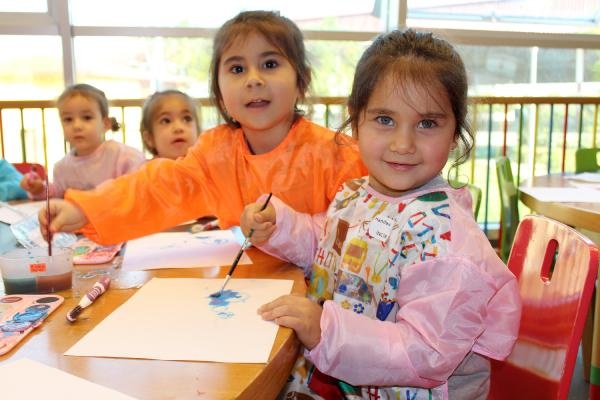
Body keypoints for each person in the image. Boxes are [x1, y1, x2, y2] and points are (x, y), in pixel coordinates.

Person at [240, 29, 521, 399]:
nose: (403, 144)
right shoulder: (359, 194)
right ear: (356, 120)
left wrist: (326, 330)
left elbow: (426, 353)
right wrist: (278, 225)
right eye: (385, 119)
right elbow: (329, 247)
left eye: (427, 123)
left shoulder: (451, 248)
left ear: (455, 132)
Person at [38, 11, 367, 245]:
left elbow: (366, 240)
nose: (253, 79)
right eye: (237, 68)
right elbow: (158, 188)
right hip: (251, 291)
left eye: (270, 64)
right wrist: (86, 208)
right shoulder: (216, 152)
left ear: (301, 80)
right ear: (219, 92)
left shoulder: (339, 155)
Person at [20, 84, 146, 199]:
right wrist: (39, 189)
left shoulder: (124, 157)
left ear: (105, 124)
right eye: (68, 119)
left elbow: (138, 192)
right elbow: (57, 193)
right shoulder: (62, 167)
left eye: (87, 117)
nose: (77, 126)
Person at [140, 90, 201, 160]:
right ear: (150, 138)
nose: (178, 128)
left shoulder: (206, 163)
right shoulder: (149, 167)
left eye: (187, 119)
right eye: (166, 121)